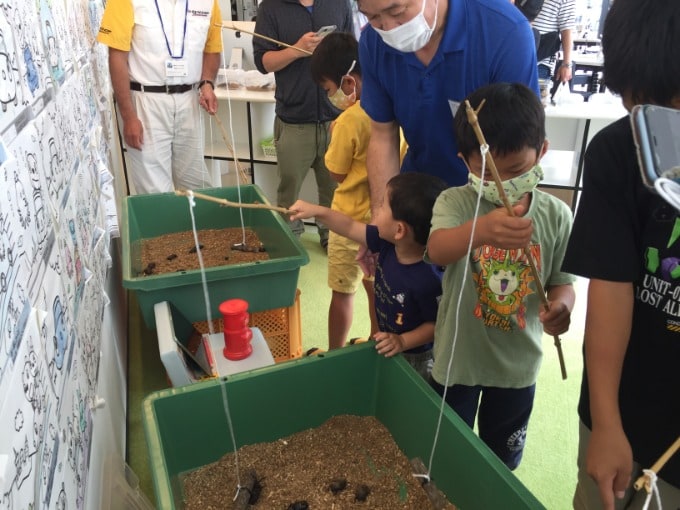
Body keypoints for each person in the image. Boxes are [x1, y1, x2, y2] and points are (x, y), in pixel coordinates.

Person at [562, 0, 680, 508]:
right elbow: (612, 285)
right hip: (627, 409)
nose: (657, 128)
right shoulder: (617, 151)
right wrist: (607, 421)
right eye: (639, 106)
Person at [426, 82, 575, 470]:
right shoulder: (455, 202)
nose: (501, 183)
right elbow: (438, 250)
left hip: (517, 365)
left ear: (542, 151)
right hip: (458, 360)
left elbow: (562, 280)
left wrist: (561, 307)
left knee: (501, 461)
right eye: (486, 173)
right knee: (444, 456)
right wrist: (481, 230)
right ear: (465, 161)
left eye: (516, 171)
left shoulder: (557, 216)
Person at [356, 0, 540, 213]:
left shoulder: (504, 30)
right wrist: (382, 218)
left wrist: (504, 218)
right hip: (418, 193)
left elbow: (519, 145)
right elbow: (383, 136)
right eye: (373, 17)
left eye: (397, 11)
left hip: (486, 196)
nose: (388, 28)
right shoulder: (373, 42)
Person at [290, 172, 448, 379]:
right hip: (387, 341)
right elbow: (348, 226)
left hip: (415, 358)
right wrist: (316, 211)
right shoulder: (387, 242)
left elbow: (436, 325)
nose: (376, 211)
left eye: (382, 206)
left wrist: (403, 342)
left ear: (399, 229)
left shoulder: (429, 280)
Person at [253, 0, 354, 251]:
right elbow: (263, 62)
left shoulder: (338, 4)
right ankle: (290, 237)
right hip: (293, 119)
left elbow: (353, 53)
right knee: (289, 188)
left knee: (335, 187)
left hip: (336, 118)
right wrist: (296, 50)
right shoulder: (270, 8)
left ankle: (331, 235)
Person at [97, 0, 223, 195]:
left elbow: (212, 48)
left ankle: (197, 226)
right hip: (146, 102)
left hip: (190, 100)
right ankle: (164, 226)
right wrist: (129, 116)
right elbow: (117, 56)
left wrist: (207, 83)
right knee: (154, 190)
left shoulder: (208, 2)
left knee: (196, 184)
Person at [308, 32, 378, 349]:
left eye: (329, 89)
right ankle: (379, 342)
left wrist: (335, 130)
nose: (329, 95)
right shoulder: (389, 108)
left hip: (347, 220)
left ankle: (336, 352)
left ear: (349, 83)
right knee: (376, 289)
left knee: (342, 291)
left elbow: (336, 172)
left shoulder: (349, 119)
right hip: (380, 221)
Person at [533, 0, 575, 88]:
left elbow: (567, 30)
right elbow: (567, 30)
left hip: (541, 61)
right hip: (519, 55)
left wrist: (566, 64)